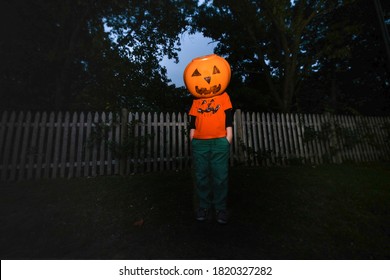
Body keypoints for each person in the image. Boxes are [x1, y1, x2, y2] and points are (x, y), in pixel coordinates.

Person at [189, 93, 233, 224]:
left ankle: (220, 208)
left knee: (220, 176)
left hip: (220, 141)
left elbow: (228, 118)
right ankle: (204, 206)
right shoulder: (197, 99)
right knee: (201, 176)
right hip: (200, 142)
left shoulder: (224, 96)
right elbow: (193, 121)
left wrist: (228, 138)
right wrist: (192, 138)